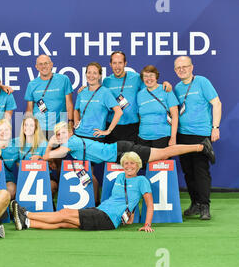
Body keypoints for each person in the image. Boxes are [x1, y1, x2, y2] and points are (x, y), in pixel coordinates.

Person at [11, 151, 155, 232]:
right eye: (126, 163)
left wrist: (147, 224)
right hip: (102, 212)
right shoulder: (120, 176)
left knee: (64, 213)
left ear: (138, 165)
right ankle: (27, 223)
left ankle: (25, 213)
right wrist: (130, 216)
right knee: (63, 222)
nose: (129, 166)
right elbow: (129, 199)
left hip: (107, 217)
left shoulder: (142, 180)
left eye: (132, 163)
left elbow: (149, 204)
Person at [43, 121, 216, 171]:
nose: (61, 136)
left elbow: (47, 157)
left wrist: (51, 142)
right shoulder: (71, 144)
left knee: (163, 153)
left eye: (63, 132)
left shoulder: (71, 143)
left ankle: (201, 147)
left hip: (121, 151)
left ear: (70, 132)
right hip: (118, 153)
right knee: (162, 154)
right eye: (58, 134)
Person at [173, 56, 221, 220]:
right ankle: (195, 204)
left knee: (201, 171)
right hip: (182, 135)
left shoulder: (202, 82)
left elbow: (217, 103)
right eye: (178, 68)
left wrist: (215, 127)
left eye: (185, 66)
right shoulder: (177, 88)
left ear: (192, 67)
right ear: (175, 70)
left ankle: (204, 206)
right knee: (188, 172)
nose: (182, 69)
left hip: (201, 135)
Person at [74, 62, 123, 203]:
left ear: (100, 75)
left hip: (94, 137)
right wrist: (76, 122)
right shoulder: (82, 92)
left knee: (90, 172)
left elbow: (118, 111)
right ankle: (86, 202)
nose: (91, 75)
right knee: (82, 171)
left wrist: (107, 131)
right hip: (79, 136)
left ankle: (94, 203)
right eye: (89, 72)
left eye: (95, 73)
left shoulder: (105, 92)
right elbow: (76, 109)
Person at [101, 51, 172, 143]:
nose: (117, 66)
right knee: (114, 157)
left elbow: (151, 88)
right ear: (110, 64)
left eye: (120, 63)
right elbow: (98, 93)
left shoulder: (136, 78)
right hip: (112, 127)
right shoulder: (106, 81)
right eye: (114, 63)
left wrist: (165, 84)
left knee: (132, 157)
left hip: (133, 128)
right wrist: (85, 88)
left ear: (125, 63)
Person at [25, 54, 74, 139]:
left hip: (59, 129)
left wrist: (70, 124)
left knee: (58, 152)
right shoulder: (31, 85)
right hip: (39, 130)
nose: (43, 66)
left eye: (46, 63)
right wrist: (28, 128)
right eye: (40, 64)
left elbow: (69, 104)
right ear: (36, 67)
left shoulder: (64, 79)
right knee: (39, 152)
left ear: (51, 64)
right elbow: (29, 109)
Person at [137, 65, 179, 148]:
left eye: (151, 75)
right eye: (146, 76)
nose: (149, 79)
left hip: (162, 137)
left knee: (161, 161)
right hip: (143, 138)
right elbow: (141, 117)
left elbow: (175, 115)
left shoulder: (166, 90)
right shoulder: (140, 94)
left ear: (156, 76)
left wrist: (173, 137)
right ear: (142, 79)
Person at [0, 119, 20, 200]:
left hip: (7, 180)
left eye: (7, 129)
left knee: (12, 189)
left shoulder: (15, 148)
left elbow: (21, 167)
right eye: (0, 130)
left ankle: (4, 210)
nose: (4, 132)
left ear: (11, 132)